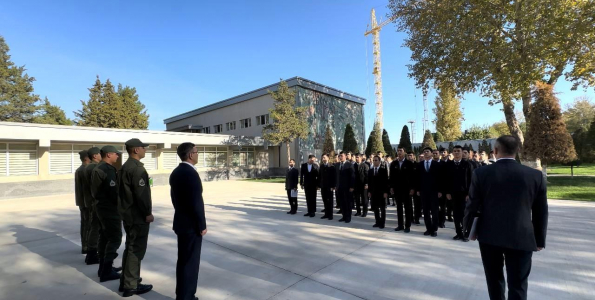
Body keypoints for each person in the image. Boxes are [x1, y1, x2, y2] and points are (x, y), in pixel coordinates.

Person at [464, 135, 548, 300]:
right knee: (518, 284)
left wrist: (468, 229)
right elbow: (541, 211)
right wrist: (539, 239)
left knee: (494, 281)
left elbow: (472, 205)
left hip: (489, 236)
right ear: (517, 151)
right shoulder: (535, 176)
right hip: (522, 236)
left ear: (495, 151)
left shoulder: (481, 173)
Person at [170, 142, 208, 300]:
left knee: (184, 261)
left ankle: (183, 295)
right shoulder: (190, 173)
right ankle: (187, 296)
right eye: (197, 152)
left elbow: (175, 198)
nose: (198, 154)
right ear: (191, 155)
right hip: (191, 225)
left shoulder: (176, 172)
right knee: (190, 263)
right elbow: (196, 202)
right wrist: (202, 225)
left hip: (181, 221)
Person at [118, 139, 154, 297]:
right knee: (136, 250)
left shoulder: (125, 167)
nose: (145, 150)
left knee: (130, 247)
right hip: (137, 216)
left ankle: (126, 281)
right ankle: (131, 285)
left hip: (128, 214)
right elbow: (141, 195)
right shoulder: (137, 169)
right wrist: (147, 213)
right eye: (143, 148)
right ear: (135, 150)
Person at [91, 145, 123, 282]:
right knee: (115, 237)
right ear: (109, 155)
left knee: (104, 238)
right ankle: (107, 270)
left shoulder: (98, 168)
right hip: (109, 209)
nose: (118, 156)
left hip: (101, 207)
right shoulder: (106, 169)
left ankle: (103, 268)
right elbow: (113, 193)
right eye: (116, 154)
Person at [445, 146, 474, 242]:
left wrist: (468, 194)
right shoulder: (449, 165)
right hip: (453, 194)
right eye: (455, 151)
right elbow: (446, 180)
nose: (456, 153)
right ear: (452, 153)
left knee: (464, 214)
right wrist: (448, 192)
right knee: (456, 214)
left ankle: (465, 234)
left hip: (464, 194)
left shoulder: (467, 165)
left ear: (462, 153)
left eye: (458, 151)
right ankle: (458, 233)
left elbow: (471, 180)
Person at [416, 147, 444, 237]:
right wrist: (418, 189)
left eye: (428, 152)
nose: (426, 153)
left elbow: (441, 179)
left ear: (431, 153)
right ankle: (428, 228)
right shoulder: (420, 164)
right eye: (424, 152)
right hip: (424, 191)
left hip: (434, 192)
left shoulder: (437, 164)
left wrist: (440, 190)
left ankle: (434, 229)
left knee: (435, 211)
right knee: (426, 211)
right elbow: (417, 178)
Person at [83, 147, 102, 265]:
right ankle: (92, 254)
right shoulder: (94, 168)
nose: (101, 155)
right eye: (100, 154)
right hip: (95, 202)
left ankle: (92, 253)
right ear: (95, 156)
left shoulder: (88, 167)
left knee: (94, 227)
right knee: (95, 228)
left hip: (91, 201)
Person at [390, 147, 415, 233]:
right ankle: (400, 225)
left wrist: (412, 188)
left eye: (401, 151)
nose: (399, 152)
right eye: (398, 151)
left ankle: (407, 226)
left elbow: (413, 177)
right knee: (399, 208)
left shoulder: (409, 163)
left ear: (404, 152)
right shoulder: (394, 163)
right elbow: (391, 177)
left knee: (407, 208)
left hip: (407, 190)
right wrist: (391, 187)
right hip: (397, 189)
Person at [75, 150, 90, 255]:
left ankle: (85, 245)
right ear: (86, 158)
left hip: (82, 201)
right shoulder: (85, 170)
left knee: (85, 224)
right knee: (88, 225)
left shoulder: (80, 170)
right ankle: (87, 246)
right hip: (86, 202)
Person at [368, 156, 389, 229]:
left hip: (382, 192)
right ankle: (377, 222)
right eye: (373, 160)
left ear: (379, 161)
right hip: (373, 193)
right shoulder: (370, 171)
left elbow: (386, 182)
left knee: (382, 209)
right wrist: (369, 191)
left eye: (376, 160)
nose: (374, 161)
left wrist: (386, 192)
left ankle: (382, 223)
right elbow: (369, 182)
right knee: (375, 208)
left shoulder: (383, 170)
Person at [336, 151, 355, 223]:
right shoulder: (337, 165)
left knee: (348, 202)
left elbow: (352, 176)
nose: (340, 157)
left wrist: (352, 186)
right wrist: (336, 185)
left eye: (342, 156)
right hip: (340, 187)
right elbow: (336, 176)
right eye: (339, 156)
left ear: (345, 156)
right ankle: (343, 216)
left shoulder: (349, 165)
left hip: (348, 187)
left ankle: (348, 217)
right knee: (342, 202)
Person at [318, 154, 336, 220]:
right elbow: (319, 176)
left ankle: (330, 215)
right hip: (323, 186)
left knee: (330, 201)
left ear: (328, 158)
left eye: (325, 157)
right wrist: (318, 185)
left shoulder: (331, 166)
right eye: (322, 157)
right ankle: (326, 214)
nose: (323, 159)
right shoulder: (322, 166)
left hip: (329, 186)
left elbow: (334, 177)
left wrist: (333, 186)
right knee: (325, 200)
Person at [407, 151, 422, 225]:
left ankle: (417, 218)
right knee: (409, 204)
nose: (409, 157)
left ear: (414, 156)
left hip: (416, 188)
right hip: (407, 188)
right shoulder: (405, 164)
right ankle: (410, 218)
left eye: (410, 155)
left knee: (417, 205)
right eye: (408, 155)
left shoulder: (418, 165)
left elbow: (419, 178)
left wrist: (418, 189)